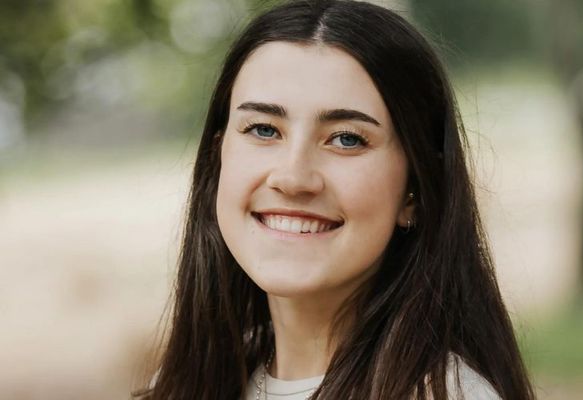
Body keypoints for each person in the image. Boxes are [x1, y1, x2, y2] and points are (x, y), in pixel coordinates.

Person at [135, 0, 535, 399]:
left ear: (415, 190)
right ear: (218, 157)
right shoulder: (191, 382)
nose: (293, 178)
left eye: (347, 138)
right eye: (262, 129)